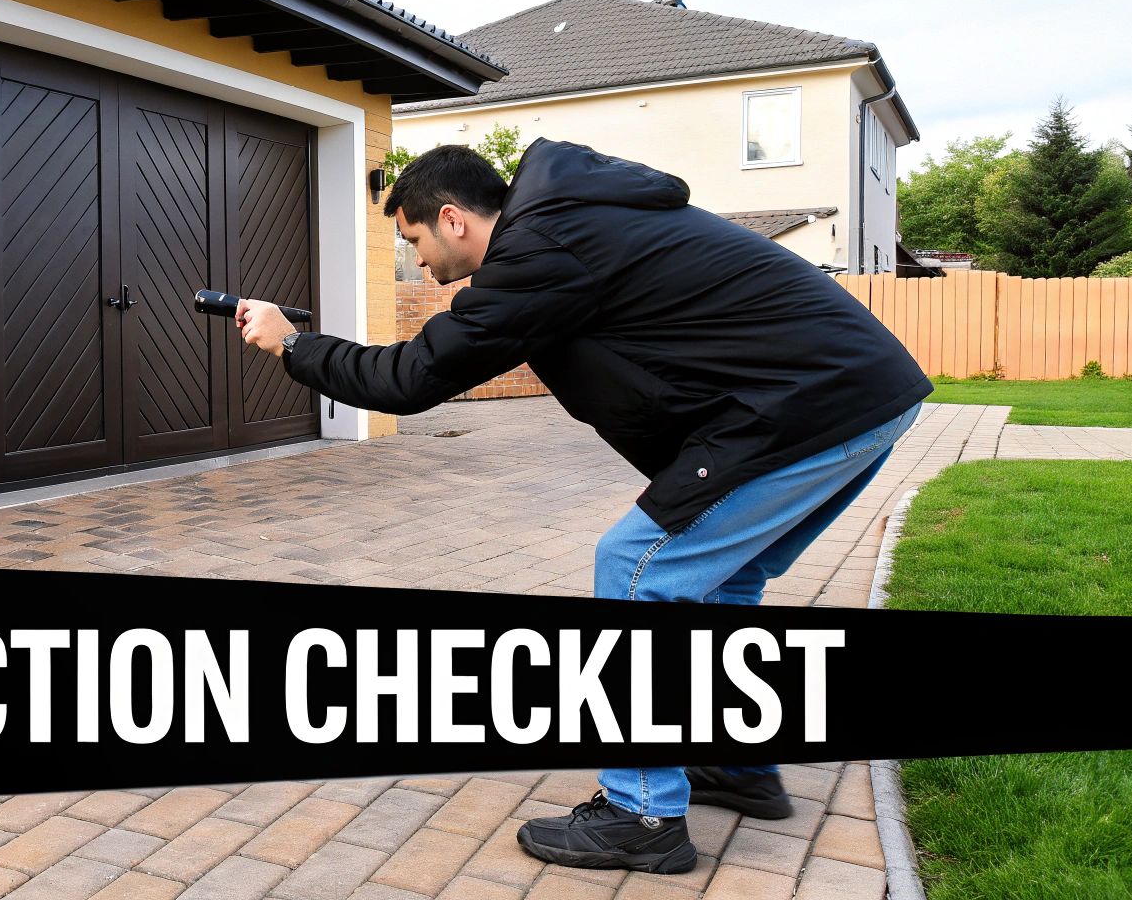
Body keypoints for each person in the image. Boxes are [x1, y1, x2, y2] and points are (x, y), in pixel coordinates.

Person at [235, 140, 929, 875]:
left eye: (413, 241)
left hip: (808, 408)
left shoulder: (543, 250)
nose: (418, 264)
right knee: (720, 585)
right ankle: (733, 764)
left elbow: (413, 377)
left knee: (637, 568)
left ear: (452, 218)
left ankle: (640, 814)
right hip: (855, 396)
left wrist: (293, 345)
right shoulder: (571, 228)